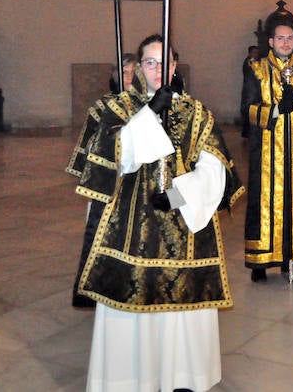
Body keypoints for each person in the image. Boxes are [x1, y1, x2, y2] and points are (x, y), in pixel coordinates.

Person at [67, 34, 244, 392]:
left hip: (184, 224)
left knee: (183, 304)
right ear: (136, 68)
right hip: (128, 230)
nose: (158, 70)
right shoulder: (113, 109)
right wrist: (148, 114)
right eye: (150, 62)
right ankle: (130, 380)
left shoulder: (197, 112)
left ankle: (183, 377)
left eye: (166, 62)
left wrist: (180, 194)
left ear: (176, 66)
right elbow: (107, 160)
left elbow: (216, 170)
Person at [243, 13, 293, 282]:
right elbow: (248, 109)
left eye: (290, 38)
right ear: (270, 41)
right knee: (264, 203)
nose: (286, 42)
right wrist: (276, 109)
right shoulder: (257, 70)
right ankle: (261, 262)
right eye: (280, 38)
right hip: (266, 151)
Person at [240, 45, 260, 138]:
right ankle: (247, 132)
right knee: (249, 111)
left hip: (254, 91)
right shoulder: (249, 62)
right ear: (250, 53)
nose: (256, 54)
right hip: (250, 91)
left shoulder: (255, 62)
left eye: (257, 52)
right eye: (254, 52)